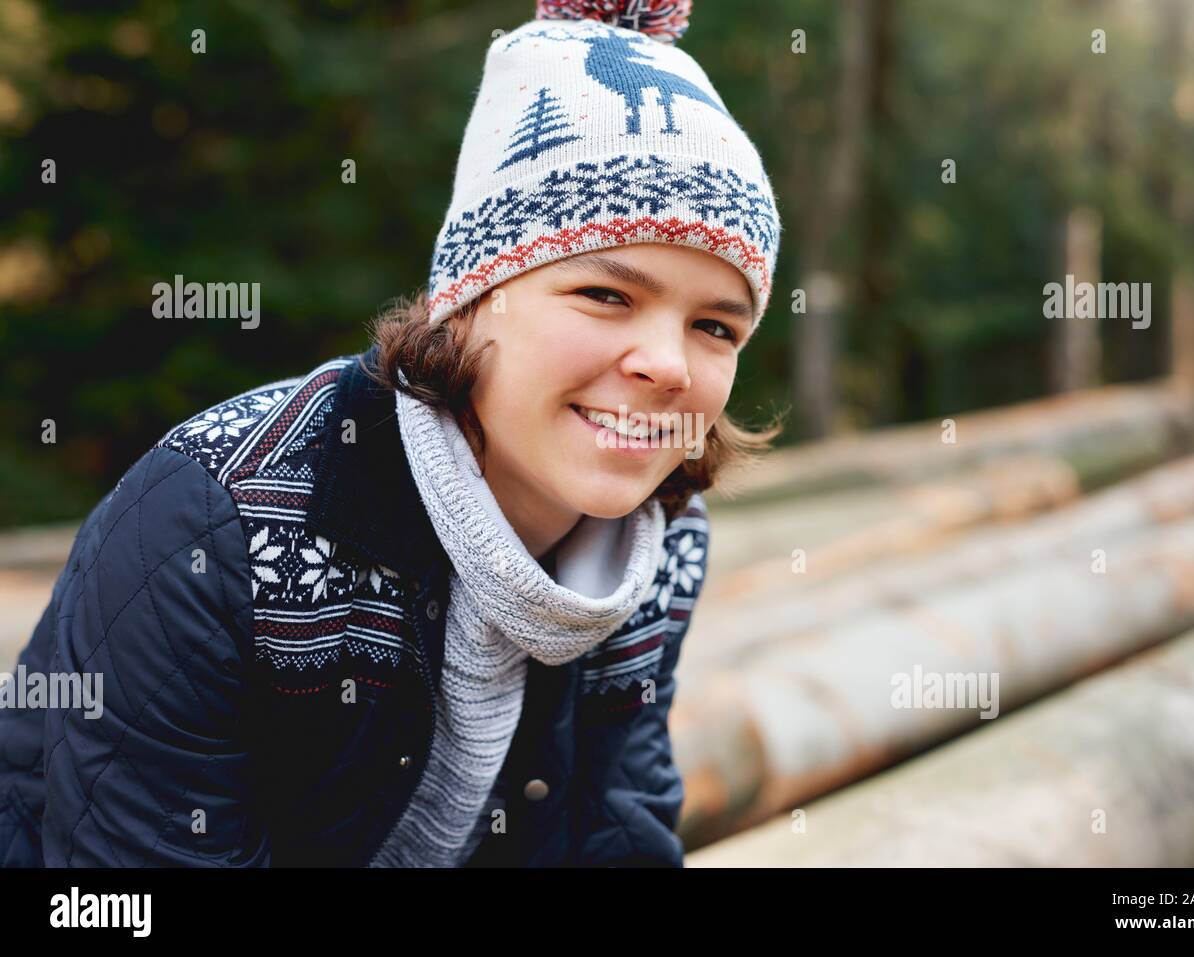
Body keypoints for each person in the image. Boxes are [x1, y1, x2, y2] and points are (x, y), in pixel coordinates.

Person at [0, 0, 781, 867]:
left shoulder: (657, 547)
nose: (669, 365)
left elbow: (617, 829)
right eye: (607, 295)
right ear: (473, 299)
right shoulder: (216, 527)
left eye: (717, 326)